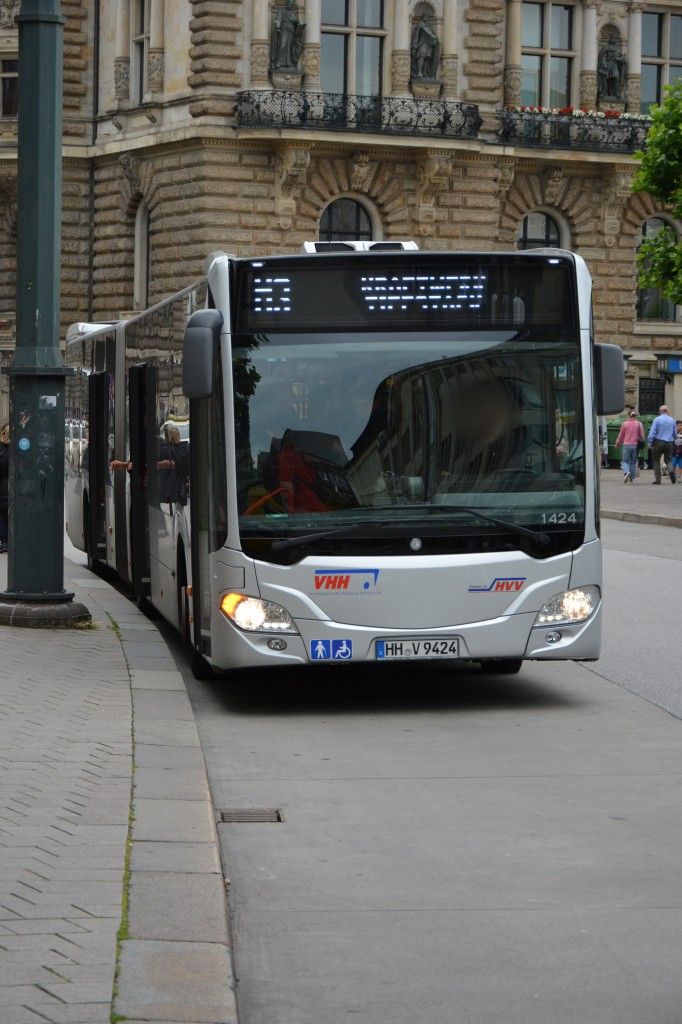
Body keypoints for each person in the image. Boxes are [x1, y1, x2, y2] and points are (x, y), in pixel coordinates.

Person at [270, 0, 305, 71]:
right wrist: (278, 24)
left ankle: (289, 64)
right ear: (287, 3)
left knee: (290, 48)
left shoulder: (293, 13)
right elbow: (278, 19)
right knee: (283, 45)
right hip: (284, 30)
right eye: (290, 3)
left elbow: (296, 21)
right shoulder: (281, 10)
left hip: (291, 32)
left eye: (292, 4)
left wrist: (299, 24)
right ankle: (278, 62)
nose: (291, 5)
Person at [648, 403, 677, 484]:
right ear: (667, 411)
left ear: (660, 411)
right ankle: (671, 471)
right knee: (668, 459)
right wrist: (673, 439)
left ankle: (658, 479)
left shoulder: (657, 419)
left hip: (659, 442)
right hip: (669, 442)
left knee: (656, 460)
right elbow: (675, 432)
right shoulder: (672, 420)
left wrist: (650, 441)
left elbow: (652, 432)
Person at [614, 409, 644, 483]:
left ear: (628, 415)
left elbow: (621, 435)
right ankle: (631, 478)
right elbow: (642, 436)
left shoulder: (625, 424)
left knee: (625, 461)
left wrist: (617, 443)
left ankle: (626, 472)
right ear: (635, 415)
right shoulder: (639, 423)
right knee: (633, 462)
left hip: (627, 445)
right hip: (635, 446)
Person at [411, 13, 441, 80]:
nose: (426, 18)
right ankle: (419, 72)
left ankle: (424, 72)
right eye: (425, 16)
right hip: (422, 43)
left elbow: (433, 33)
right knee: (421, 57)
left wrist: (436, 38)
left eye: (428, 16)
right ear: (423, 17)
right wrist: (433, 36)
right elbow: (427, 32)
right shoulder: (421, 25)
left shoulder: (429, 26)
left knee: (427, 58)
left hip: (429, 44)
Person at [0, 423, 8, 553]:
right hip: (5, 486)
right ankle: (5, 541)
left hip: (5, 486)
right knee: (3, 515)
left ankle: (5, 541)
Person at [672, 419, 682, 484]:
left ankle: (679, 477)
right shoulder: (673, 433)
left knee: (681, 466)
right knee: (673, 465)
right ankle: (674, 476)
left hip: (681, 453)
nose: (680, 426)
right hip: (674, 453)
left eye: (681, 425)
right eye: (678, 425)